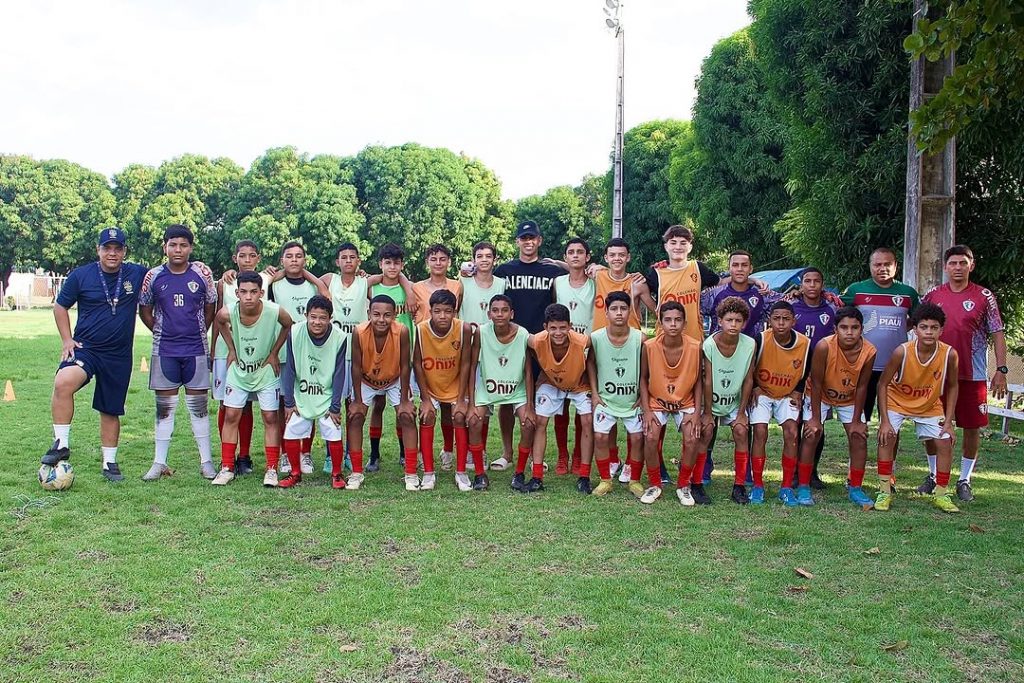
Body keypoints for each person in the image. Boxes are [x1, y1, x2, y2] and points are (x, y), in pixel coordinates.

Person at [43, 227, 148, 481]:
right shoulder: (81, 275)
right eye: (107, 248)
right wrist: (67, 339)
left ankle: (109, 463)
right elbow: (60, 307)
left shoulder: (137, 273)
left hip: (118, 354)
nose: (112, 253)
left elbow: (168, 272)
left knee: (110, 408)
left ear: (124, 251)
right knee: (63, 382)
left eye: (117, 248)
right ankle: (61, 444)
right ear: (98, 250)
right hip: (86, 348)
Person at [919, 245, 1008, 502]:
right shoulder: (933, 295)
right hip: (936, 374)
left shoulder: (984, 296)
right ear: (945, 267)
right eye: (953, 263)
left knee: (971, 427)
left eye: (963, 263)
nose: (958, 268)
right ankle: (934, 475)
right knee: (932, 425)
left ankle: (964, 479)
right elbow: (918, 328)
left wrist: (1001, 370)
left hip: (973, 374)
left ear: (972, 265)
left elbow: (997, 332)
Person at [138, 225, 219, 481]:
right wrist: (162, 331)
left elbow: (210, 306)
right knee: (164, 408)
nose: (178, 249)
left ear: (190, 248)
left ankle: (206, 462)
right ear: (165, 247)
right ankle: (159, 462)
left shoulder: (202, 273)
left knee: (199, 407)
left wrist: (198, 331)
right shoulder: (153, 276)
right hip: (165, 350)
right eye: (173, 245)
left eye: (183, 245)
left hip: (195, 349)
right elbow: (145, 310)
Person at [487, 221, 562, 471]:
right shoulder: (504, 270)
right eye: (523, 238)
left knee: (538, 400)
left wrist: (560, 263)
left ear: (539, 241)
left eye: (532, 238)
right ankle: (507, 453)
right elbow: (486, 283)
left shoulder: (552, 271)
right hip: (511, 342)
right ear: (517, 241)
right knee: (508, 399)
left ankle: (532, 455)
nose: (528, 242)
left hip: (540, 341)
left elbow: (576, 273)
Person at [875, 303, 960, 513]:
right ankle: (884, 490)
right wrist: (884, 421)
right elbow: (882, 384)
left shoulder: (949, 354)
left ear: (941, 330)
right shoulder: (902, 352)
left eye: (934, 327)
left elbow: (952, 386)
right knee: (887, 437)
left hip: (929, 405)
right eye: (924, 327)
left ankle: (941, 493)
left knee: (945, 441)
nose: (929, 332)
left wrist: (949, 422)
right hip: (897, 400)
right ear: (915, 329)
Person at [212, 271, 293, 486]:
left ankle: (271, 469)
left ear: (261, 293)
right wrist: (231, 349)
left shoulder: (274, 311)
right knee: (231, 416)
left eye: (253, 292)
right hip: (239, 371)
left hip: (265, 371)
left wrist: (274, 352)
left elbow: (288, 324)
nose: (248, 296)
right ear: (237, 293)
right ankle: (227, 466)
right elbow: (219, 321)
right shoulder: (228, 312)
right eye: (244, 292)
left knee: (270, 418)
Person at [798, 306, 876, 508]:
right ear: (835, 329)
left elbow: (862, 386)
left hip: (849, 397)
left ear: (861, 329)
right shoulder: (825, 346)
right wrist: (815, 418)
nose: (849, 332)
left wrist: (858, 420)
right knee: (812, 433)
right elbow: (815, 382)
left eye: (854, 327)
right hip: (820, 393)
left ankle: (856, 488)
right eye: (844, 327)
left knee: (859, 436)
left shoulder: (869, 351)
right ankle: (804, 486)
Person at [591, 237, 654, 483]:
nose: (617, 258)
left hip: (632, 346)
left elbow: (655, 308)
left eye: (621, 255)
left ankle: (630, 463)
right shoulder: (597, 275)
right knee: (608, 403)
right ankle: (614, 458)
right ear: (606, 257)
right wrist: (552, 260)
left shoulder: (637, 283)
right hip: (604, 345)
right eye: (612, 255)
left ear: (628, 257)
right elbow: (571, 268)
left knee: (631, 405)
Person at [269, 240, 331, 476]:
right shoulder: (275, 284)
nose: (294, 260)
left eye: (299, 256)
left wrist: (310, 276)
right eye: (289, 256)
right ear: (281, 260)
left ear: (305, 260)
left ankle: (305, 453)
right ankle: (286, 452)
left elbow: (326, 295)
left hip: (309, 354)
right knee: (284, 404)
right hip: (282, 352)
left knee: (308, 401)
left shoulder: (312, 285)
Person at [210, 240, 272, 476]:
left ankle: (244, 457)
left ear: (258, 258)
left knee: (245, 405)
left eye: (252, 256)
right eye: (242, 256)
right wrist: (214, 348)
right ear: (235, 258)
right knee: (226, 405)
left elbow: (293, 270)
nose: (247, 260)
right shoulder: (224, 283)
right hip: (227, 352)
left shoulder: (267, 280)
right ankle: (227, 457)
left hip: (255, 353)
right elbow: (218, 318)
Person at [841, 247, 920, 422]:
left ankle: (888, 449)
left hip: (895, 366)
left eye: (887, 264)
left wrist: (900, 328)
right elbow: (835, 309)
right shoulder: (856, 290)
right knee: (860, 419)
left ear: (895, 266)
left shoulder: (908, 293)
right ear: (870, 266)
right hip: (863, 365)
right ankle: (860, 448)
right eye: (878, 264)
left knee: (893, 420)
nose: (882, 268)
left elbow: (920, 320)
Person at [280, 295, 350, 489]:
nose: (317, 322)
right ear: (306, 315)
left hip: (326, 395)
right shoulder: (294, 332)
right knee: (292, 429)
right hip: (302, 393)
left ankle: (337, 474)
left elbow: (339, 374)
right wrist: (289, 402)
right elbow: (290, 369)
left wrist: (335, 406)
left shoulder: (339, 337)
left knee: (333, 431)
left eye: (322, 318)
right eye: (313, 317)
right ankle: (295, 473)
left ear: (330, 318)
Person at [348, 295, 418, 489]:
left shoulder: (402, 331)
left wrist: (404, 399)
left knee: (406, 415)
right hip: (366, 379)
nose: (381, 319)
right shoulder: (359, 332)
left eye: (387, 315)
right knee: (355, 416)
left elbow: (405, 366)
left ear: (394, 315)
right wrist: (357, 400)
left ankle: (411, 473)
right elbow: (355, 366)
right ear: (368, 314)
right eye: (376, 314)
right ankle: (356, 472)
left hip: (394, 378)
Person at [639, 301, 704, 506]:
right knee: (650, 436)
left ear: (685, 323)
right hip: (657, 401)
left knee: (692, 438)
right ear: (660, 323)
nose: (673, 324)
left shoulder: (695, 346)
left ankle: (683, 485)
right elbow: (643, 378)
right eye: (668, 320)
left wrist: (696, 413)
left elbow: (699, 381)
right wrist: (646, 410)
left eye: (677, 320)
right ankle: (655, 484)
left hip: (685, 401)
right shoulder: (649, 346)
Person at [469, 295, 537, 491]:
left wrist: (530, 406)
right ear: (489, 313)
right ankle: (480, 474)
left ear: (512, 313)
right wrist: (472, 402)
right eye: (495, 310)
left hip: (516, 388)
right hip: (487, 387)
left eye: (504, 310)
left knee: (529, 422)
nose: (500, 314)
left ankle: (519, 473)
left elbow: (528, 372)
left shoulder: (523, 333)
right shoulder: (481, 332)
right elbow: (472, 365)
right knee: (474, 420)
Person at [748, 302, 811, 506]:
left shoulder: (805, 343)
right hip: (763, 392)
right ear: (770, 320)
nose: (781, 323)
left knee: (792, 432)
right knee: (760, 431)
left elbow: (806, 370)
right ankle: (757, 485)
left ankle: (785, 487)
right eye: (776, 318)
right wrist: (756, 386)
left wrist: (798, 390)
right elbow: (750, 366)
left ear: (794, 320)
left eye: (786, 318)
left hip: (787, 393)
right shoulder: (761, 339)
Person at [413, 290, 477, 491]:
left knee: (459, 416)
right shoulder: (420, 330)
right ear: (430, 311)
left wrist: (460, 400)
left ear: (455, 312)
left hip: (455, 384)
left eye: (448, 311)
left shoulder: (464, 329)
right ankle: (429, 473)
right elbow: (417, 364)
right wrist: (424, 399)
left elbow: (466, 363)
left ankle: (461, 473)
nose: (442, 316)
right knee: (427, 416)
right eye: (438, 311)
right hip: (430, 386)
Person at [527, 303, 594, 494]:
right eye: (553, 328)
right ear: (545, 327)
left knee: (588, 420)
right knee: (540, 421)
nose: (558, 332)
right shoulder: (536, 341)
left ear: (570, 326)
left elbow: (595, 352)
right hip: (551, 381)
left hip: (578, 382)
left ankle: (584, 476)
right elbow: (527, 348)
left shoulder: (583, 341)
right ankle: (537, 476)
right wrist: (543, 372)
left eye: (563, 327)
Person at [587, 291, 646, 497]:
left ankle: (635, 481)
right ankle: (605, 480)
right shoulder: (595, 338)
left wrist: (642, 396)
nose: (619, 313)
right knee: (600, 437)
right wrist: (594, 393)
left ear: (630, 311)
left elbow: (646, 371)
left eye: (623, 308)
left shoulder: (640, 338)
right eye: (614, 309)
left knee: (638, 438)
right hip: (606, 398)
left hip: (632, 401)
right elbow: (590, 364)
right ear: (606, 312)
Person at [698, 297, 755, 505]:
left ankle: (739, 486)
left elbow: (749, 379)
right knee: (706, 432)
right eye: (729, 320)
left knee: (741, 431)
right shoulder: (709, 344)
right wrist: (707, 412)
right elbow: (707, 379)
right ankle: (697, 483)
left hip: (734, 402)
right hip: (710, 401)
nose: (733, 325)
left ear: (744, 323)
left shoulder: (749, 344)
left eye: (738, 320)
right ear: (719, 321)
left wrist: (741, 413)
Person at [411, 243, 463, 470]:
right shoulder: (415, 287)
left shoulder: (458, 285)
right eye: (434, 259)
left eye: (443, 258)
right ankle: (423, 455)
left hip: (449, 348)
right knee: (426, 406)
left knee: (448, 408)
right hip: (425, 347)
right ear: (427, 262)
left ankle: (448, 450)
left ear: (449, 262)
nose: (438, 262)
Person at [367, 243, 417, 472]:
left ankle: (403, 452)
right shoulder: (372, 288)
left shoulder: (411, 289)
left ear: (402, 265)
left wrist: (407, 288)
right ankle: (374, 454)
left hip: (403, 355)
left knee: (403, 407)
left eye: (397, 263)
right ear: (380, 264)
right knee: (377, 404)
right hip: (376, 355)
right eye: (388, 262)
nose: (392, 267)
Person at [459, 241, 507, 470]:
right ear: (474, 259)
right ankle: (463, 450)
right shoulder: (463, 282)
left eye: (489, 256)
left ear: (494, 260)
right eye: (480, 256)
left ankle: (481, 450)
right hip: (466, 350)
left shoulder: (502, 283)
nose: (484, 259)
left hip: (492, 351)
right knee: (467, 400)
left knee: (485, 404)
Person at [551, 238, 596, 476]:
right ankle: (562, 455)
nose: (576, 256)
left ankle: (579, 453)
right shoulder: (557, 282)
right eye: (571, 252)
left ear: (588, 257)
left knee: (582, 408)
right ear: (566, 257)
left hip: (586, 352)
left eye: (580, 252)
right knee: (561, 406)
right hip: (561, 352)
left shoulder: (596, 282)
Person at [789, 267, 837, 488]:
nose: (812, 285)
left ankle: (812, 470)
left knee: (817, 423)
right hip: (796, 370)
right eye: (807, 281)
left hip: (823, 372)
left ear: (822, 284)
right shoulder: (791, 306)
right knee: (796, 421)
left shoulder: (832, 308)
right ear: (801, 284)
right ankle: (796, 471)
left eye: (816, 281)